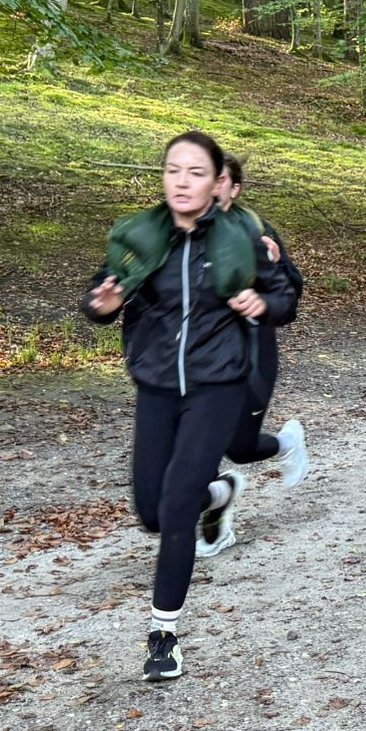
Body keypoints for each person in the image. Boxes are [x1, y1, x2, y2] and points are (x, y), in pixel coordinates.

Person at [82, 131, 299, 683]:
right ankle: (220, 492)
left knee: (176, 508)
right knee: (152, 512)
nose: (183, 181)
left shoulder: (242, 237)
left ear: (216, 183)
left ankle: (163, 636)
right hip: (156, 384)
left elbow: (286, 298)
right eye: (173, 170)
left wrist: (262, 302)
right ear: (164, 177)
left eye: (196, 172)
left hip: (218, 384)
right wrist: (101, 304)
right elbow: (100, 295)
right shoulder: (140, 235)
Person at [198, 154, 310, 559]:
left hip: (251, 357)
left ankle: (287, 443)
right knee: (197, 448)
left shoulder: (256, 232)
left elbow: (291, 297)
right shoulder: (182, 232)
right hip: (200, 364)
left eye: (220, 178)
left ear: (234, 188)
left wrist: (276, 271)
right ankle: (214, 519)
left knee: (241, 448)